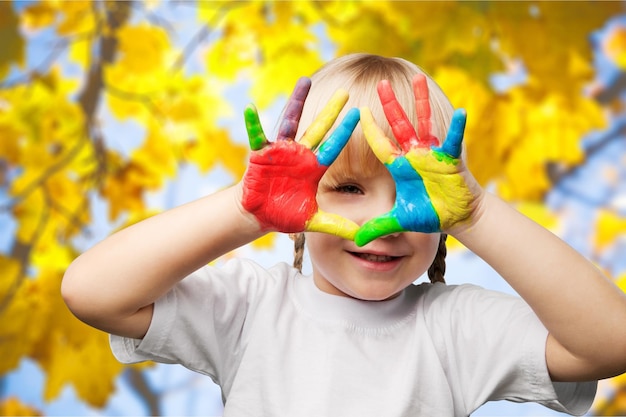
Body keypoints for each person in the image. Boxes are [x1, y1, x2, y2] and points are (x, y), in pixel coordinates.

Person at [61, 53, 626, 416]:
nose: (385, 221)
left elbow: (610, 343)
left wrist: (476, 214)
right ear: (299, 204)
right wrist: (244, 210)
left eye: (413, 194)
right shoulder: (250, 307)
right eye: (349, 189)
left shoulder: (455, 327)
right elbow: (93, 293)